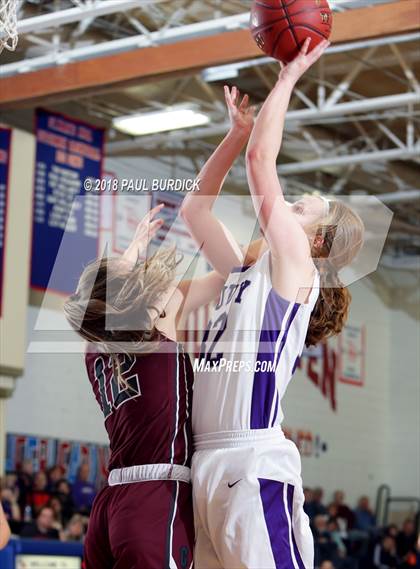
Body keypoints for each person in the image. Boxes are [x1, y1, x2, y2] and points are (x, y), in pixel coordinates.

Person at [181, 37, 365, 568]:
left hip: (252, 460)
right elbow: (196, 210)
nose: (289, 201)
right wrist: (235, 136)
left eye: (302, 206)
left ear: (316, 241)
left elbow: (264, 163)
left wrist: (288, 77)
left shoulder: (298, 269)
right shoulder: (242, 269)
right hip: (206, 466)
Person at [64, 205, 225, 568]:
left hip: (110, 503)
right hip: (155, 496)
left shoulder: (94, 349)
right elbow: (223, 276)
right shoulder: (158, 327)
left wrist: (131, 254)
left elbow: (106, 307)